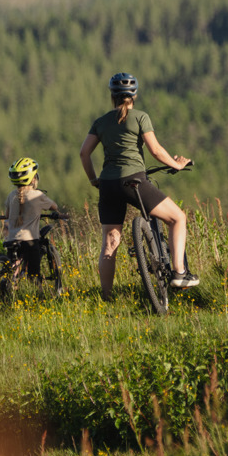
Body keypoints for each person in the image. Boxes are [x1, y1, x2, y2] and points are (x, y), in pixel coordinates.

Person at [79, 72, 199, 299]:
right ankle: (179, 273)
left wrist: (94, 179)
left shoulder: (101, 122)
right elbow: (156, 151)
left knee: (110, 242)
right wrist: (177, 164)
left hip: (107, 184)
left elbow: (84, 153)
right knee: (178, 218)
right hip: (133, 180)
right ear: (134, 95)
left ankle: (106, 297)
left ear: (112, 96)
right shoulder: (140, 117)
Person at [3, 156, 59, 277]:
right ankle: (38, 291)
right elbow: (54, 206)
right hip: (30, 242)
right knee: (34, 275)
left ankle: (9, 284)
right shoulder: (37, 195)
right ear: (33, 179)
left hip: (12, 239)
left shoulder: (11, 195)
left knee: (12, 266)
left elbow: (7, 215)